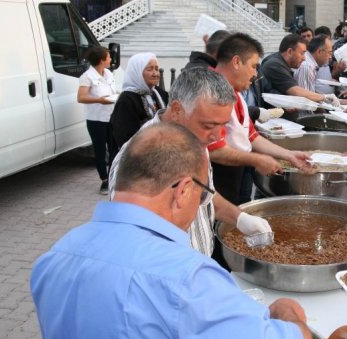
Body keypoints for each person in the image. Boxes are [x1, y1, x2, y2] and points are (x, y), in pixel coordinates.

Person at [31, 122, 316, 339]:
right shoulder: (187, 279)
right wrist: (289, 313)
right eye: (204, 195)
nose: (202, 203)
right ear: (182, 191)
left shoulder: (54, 257)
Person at [109, 67, 274, 256]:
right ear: (178, 110)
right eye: (209, 125)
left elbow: (204, 194)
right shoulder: (138, 159)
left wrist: (239, 218)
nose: (216, 136)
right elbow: (134, 242)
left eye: (223, 125)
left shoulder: (194, 137)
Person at [210, 33, 312, 205]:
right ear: (236, 62)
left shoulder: (234, 92)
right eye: (253, 66)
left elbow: (252, 136)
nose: (256, 74)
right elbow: (215, 150)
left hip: (233, 175)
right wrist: (257, 159)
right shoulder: (211, 91)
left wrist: (289, 155)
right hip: (216, 177)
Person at [109, 52, 168, 160]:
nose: (155, 73)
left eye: (156, 68)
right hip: (135, 160)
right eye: (150, 69)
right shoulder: (127, 100)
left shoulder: (159, 93)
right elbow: (124, 137)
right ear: (137, 72)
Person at [77, 46, 117, 194]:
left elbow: (112, 92)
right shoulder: (87, 76)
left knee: (114, 148)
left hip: (111, 117)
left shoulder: (109, 74)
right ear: (102, 60)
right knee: (100, 151)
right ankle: (104, 180)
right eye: (108, 57)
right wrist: (99, 100)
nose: (111, 59)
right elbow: (81, 97)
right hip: (96, 119)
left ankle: (114, 177)